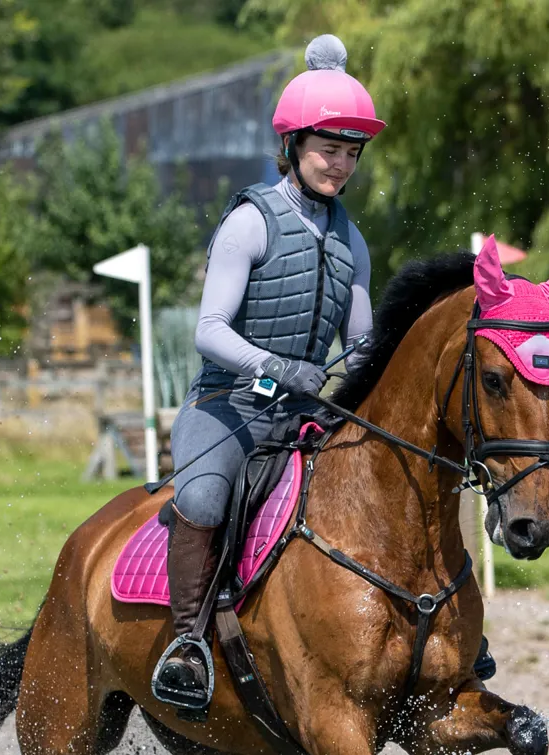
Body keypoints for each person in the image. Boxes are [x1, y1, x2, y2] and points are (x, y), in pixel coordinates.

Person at [151, 33, 384, 708]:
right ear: (292, 146)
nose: (339, 165)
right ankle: (188, 643)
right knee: (199, 500)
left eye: (350, 153)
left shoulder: (352, 241)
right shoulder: (251, 223)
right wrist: (281, 366)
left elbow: (361, 341)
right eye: (327, 150)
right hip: (228, 407)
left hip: (304, 417)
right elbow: (209, 332)